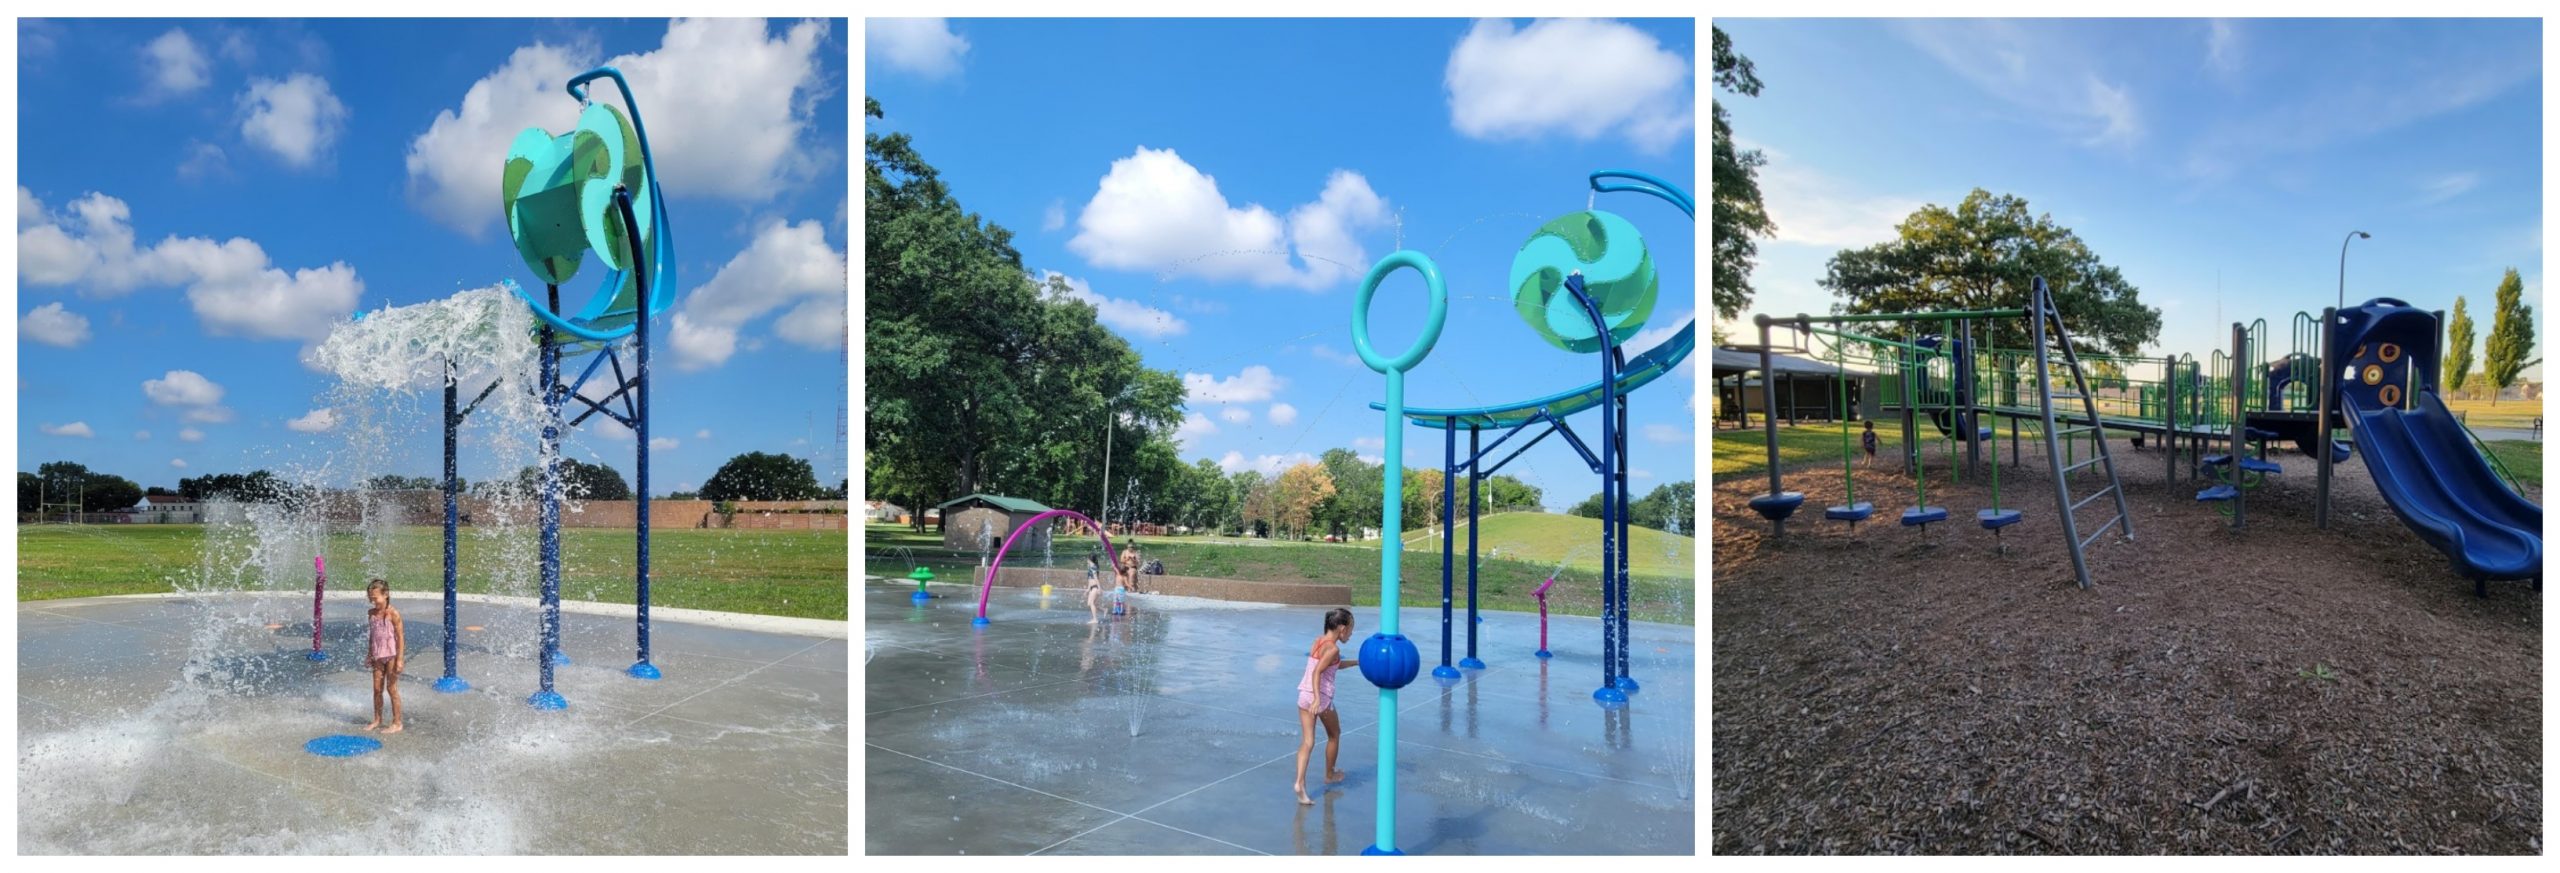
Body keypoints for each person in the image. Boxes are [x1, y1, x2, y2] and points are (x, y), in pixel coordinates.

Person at [1292, 607, 1360, 805]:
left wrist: (1356, 662)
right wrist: (1317, 700)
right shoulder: (1333, 648)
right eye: (1351, 629)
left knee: (1308, 742)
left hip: (1303, 694)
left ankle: (1300, 784)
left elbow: (1333, 664)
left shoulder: (1319, 641)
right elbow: (1318, 673)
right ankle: (1329, 774)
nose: (1351, 633)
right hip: (1319, 698)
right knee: (1334, 734)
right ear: (1341, 628)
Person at [363, 578, 407, 734]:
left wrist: (400, 659)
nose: (373, 601)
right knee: (376, 689)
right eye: (370, 598)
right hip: (377, 654)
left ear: (386, 594)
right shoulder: (371, 613)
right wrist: (369, 653)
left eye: (375, 598)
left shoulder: (393, 613)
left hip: (391, 655)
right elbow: (372, 635)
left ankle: (397, 722)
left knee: (391, 688)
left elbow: (401, 637)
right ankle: (377, 719)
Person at [1084, 553, 1104, 624]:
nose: (1086, 560)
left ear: (1089, 559)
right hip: (1092, 587)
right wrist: (1088, 589)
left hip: (1095, 587)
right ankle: (1104, 610)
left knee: (1092, 603)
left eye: (1087, 558)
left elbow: (1096, 578)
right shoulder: (1090, 567)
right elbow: (1090, 579)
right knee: (1089, 603)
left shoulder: (1093, 567)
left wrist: (1099, 588)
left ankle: (1095, 619)